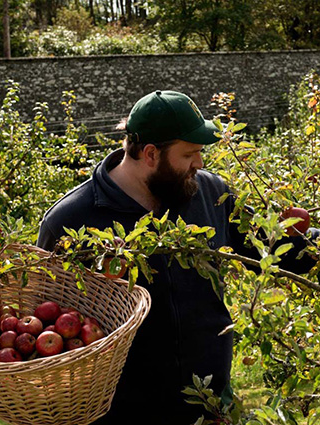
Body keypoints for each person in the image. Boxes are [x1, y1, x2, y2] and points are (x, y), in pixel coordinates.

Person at [37, 90, 319, 424]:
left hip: (210, 403)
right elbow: (47, 318)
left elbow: (269, 247)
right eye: (190, 154)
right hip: (121, 413)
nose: (200, 163)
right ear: (151, 154)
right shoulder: (72, 221)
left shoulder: (211, 193)